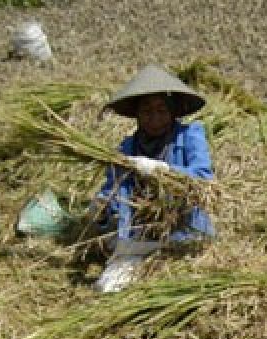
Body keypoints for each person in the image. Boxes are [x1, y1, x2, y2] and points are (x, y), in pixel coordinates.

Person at [91, 65, 214, 293]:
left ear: (172, 111)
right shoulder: (127, 148)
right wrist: (102, 207)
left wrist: (163, 170)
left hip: (184, 232)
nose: (155, 118)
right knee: (109, 288)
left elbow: (204, 177)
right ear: (137, 114)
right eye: (147, 111)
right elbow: (113, 190)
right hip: (139, 234)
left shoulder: (190, 135)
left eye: (161, 110)